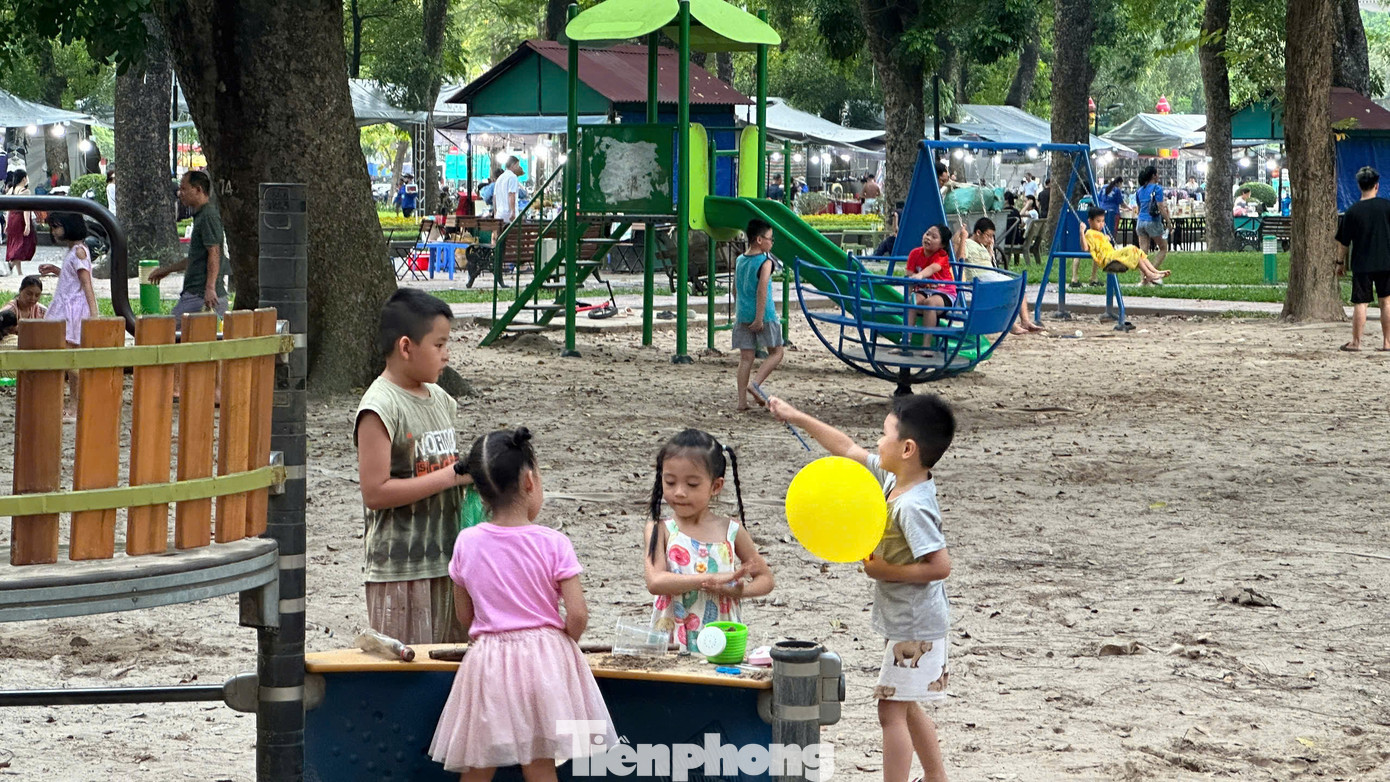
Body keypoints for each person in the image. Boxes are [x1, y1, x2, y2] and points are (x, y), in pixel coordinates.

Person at [768, 393, 956, 782]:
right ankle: (937, 777)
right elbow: (846, 448)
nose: (876, 441)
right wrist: (796, 415)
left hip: (916, 626)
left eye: (883, 433)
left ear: (907, 448)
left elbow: (940, 567)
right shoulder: (893, 479)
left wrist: (885, 570)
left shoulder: (912, 505)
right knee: (907, 706)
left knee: (890, 713)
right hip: (908, 621)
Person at [429, 427, 617, 778]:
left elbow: (464, 615)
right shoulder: (553, 542)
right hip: (545, 658)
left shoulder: (466, 543)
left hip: (489, 660)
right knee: (541, 761)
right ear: (530, 480)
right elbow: (577, 614)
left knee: (478, 761)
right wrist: (560, 645)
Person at [355, 288, 473, 644]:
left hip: (448, 565)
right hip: (400, 571)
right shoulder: (380, 406)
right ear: (406, 348)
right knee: (408, 673)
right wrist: (452, 476)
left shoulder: (441, 399)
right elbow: (375, 492)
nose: (446, 355)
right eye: (438, 345)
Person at [644, 428, 773, 649]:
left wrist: (737, 591)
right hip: (672, 641)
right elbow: (655, 581)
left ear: (716, 486)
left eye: (692, 484)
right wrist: (711, 580)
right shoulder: (660, 529)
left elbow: (765, 579)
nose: (680, 492)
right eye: (670, 482)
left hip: (722, 640)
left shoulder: (731, 530)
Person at [38, 213, 98, 418]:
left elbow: (86, 283)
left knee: (70, 359)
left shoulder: (79, 252)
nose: (53, 232)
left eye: (56, 227)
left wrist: (93, 313)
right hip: (67, 307)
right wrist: (57, 270)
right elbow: (74, 277)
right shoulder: (75, 251)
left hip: (71, 310)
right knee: (69, 358)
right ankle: (75, 403)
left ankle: (76, 404)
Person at [148, 171, 228, 319]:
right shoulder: (202, 216)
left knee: (168, 332)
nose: (180, 193)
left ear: (198, 190)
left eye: (184, 189)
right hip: (199, 293)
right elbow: (195, 257)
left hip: (199, 295)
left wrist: (210, 288)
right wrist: (167, 270)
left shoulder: (208, 216)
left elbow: (214, 252)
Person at [1334, 166, 1390, 352]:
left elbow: (1343, 242)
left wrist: (1340, 263)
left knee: (1361, 303)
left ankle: (1356, 342)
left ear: (1359, 186)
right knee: (1386, 302)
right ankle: (1387, 342)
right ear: (1377, 185)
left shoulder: (1352, 212)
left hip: (1362, 263)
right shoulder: (1387, 207)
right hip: (1386, 261)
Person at [733, 219, 785, 411]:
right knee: (777, 352)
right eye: (770, 239)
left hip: (742, 313)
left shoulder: (740, 260)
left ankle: (741, 402)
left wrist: (740, 311)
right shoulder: (765, 262)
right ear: (759, 240)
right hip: (764, 314)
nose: (772, 242)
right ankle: (755, 384)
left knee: (746, 357)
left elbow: (735, 289)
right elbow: (762, 290)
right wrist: (759, 317)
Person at [960, 218, 1044, 334]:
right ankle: (1011, 325)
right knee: (1007, 289)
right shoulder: (968, 244)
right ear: (978, 233)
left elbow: (987, 261)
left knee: (1020, 287)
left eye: (992, 236)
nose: (990, 239)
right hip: (980, 277)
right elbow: (961, 259)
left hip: (990, 274)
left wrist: (990, 249)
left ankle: (1025, 321)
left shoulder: (983, 245)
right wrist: (962, 239)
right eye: (988, 236)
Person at [901, 224, 961, 348]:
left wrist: (920, 275)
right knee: (912, 302)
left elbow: (932, 268)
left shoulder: (942, 256)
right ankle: (905, 342)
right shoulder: (915, 253)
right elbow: (910, 276)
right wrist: (908, 297)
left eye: (934, 237)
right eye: (927, 234)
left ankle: (926, 345)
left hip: (944, 291)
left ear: (942, 245)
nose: (928, 238)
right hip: (924, 290)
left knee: (930, 303)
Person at [1080, 206, 1170, 286]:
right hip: (1107, 259)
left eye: (1103, 221)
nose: (1101, 224)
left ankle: (1154, 271)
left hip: (1112, 255)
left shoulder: (1100, 234)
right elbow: (1085, 248)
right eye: (1098, 221)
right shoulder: (1089, 233)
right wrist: (1081, 232)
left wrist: (1105, 239)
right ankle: (1149, 274)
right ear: (1090, 221)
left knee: (1137, 251)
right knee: (1132, 248)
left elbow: (1100, 243)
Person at [1134, 165, 1170, 278]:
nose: (1158, 176)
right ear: (1154, 176)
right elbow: (1160, 206)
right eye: (1157, 174)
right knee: (1163, 247)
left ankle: (1143, 277)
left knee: (1143, 252)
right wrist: (1168, 221)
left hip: (1140, 221)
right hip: (1153, 221)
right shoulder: (1157, 188)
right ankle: (1152, 273)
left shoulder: (1139, 191)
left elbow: (1139, 209)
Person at [5, 169, 36, 277]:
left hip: (12, 219)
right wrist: (27, 224)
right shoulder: (25, 191)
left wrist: (6, 223)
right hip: (20, 219)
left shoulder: (10, 191)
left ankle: (19, 272)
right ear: (24, 178)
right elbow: (26, 209)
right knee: (22, 244)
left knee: (15, 242)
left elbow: (7, 209)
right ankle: (10, 265)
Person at [492, 156, 522, 224]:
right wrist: (513, 212)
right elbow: (511, 194)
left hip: (499, 214)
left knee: (501, 234)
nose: (518, 167)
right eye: (517, 165)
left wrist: (495, 212)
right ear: (513, 165)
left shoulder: (500, 178)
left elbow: (494, 197)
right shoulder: (513, 177)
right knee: (512, 234)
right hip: (509, 215)